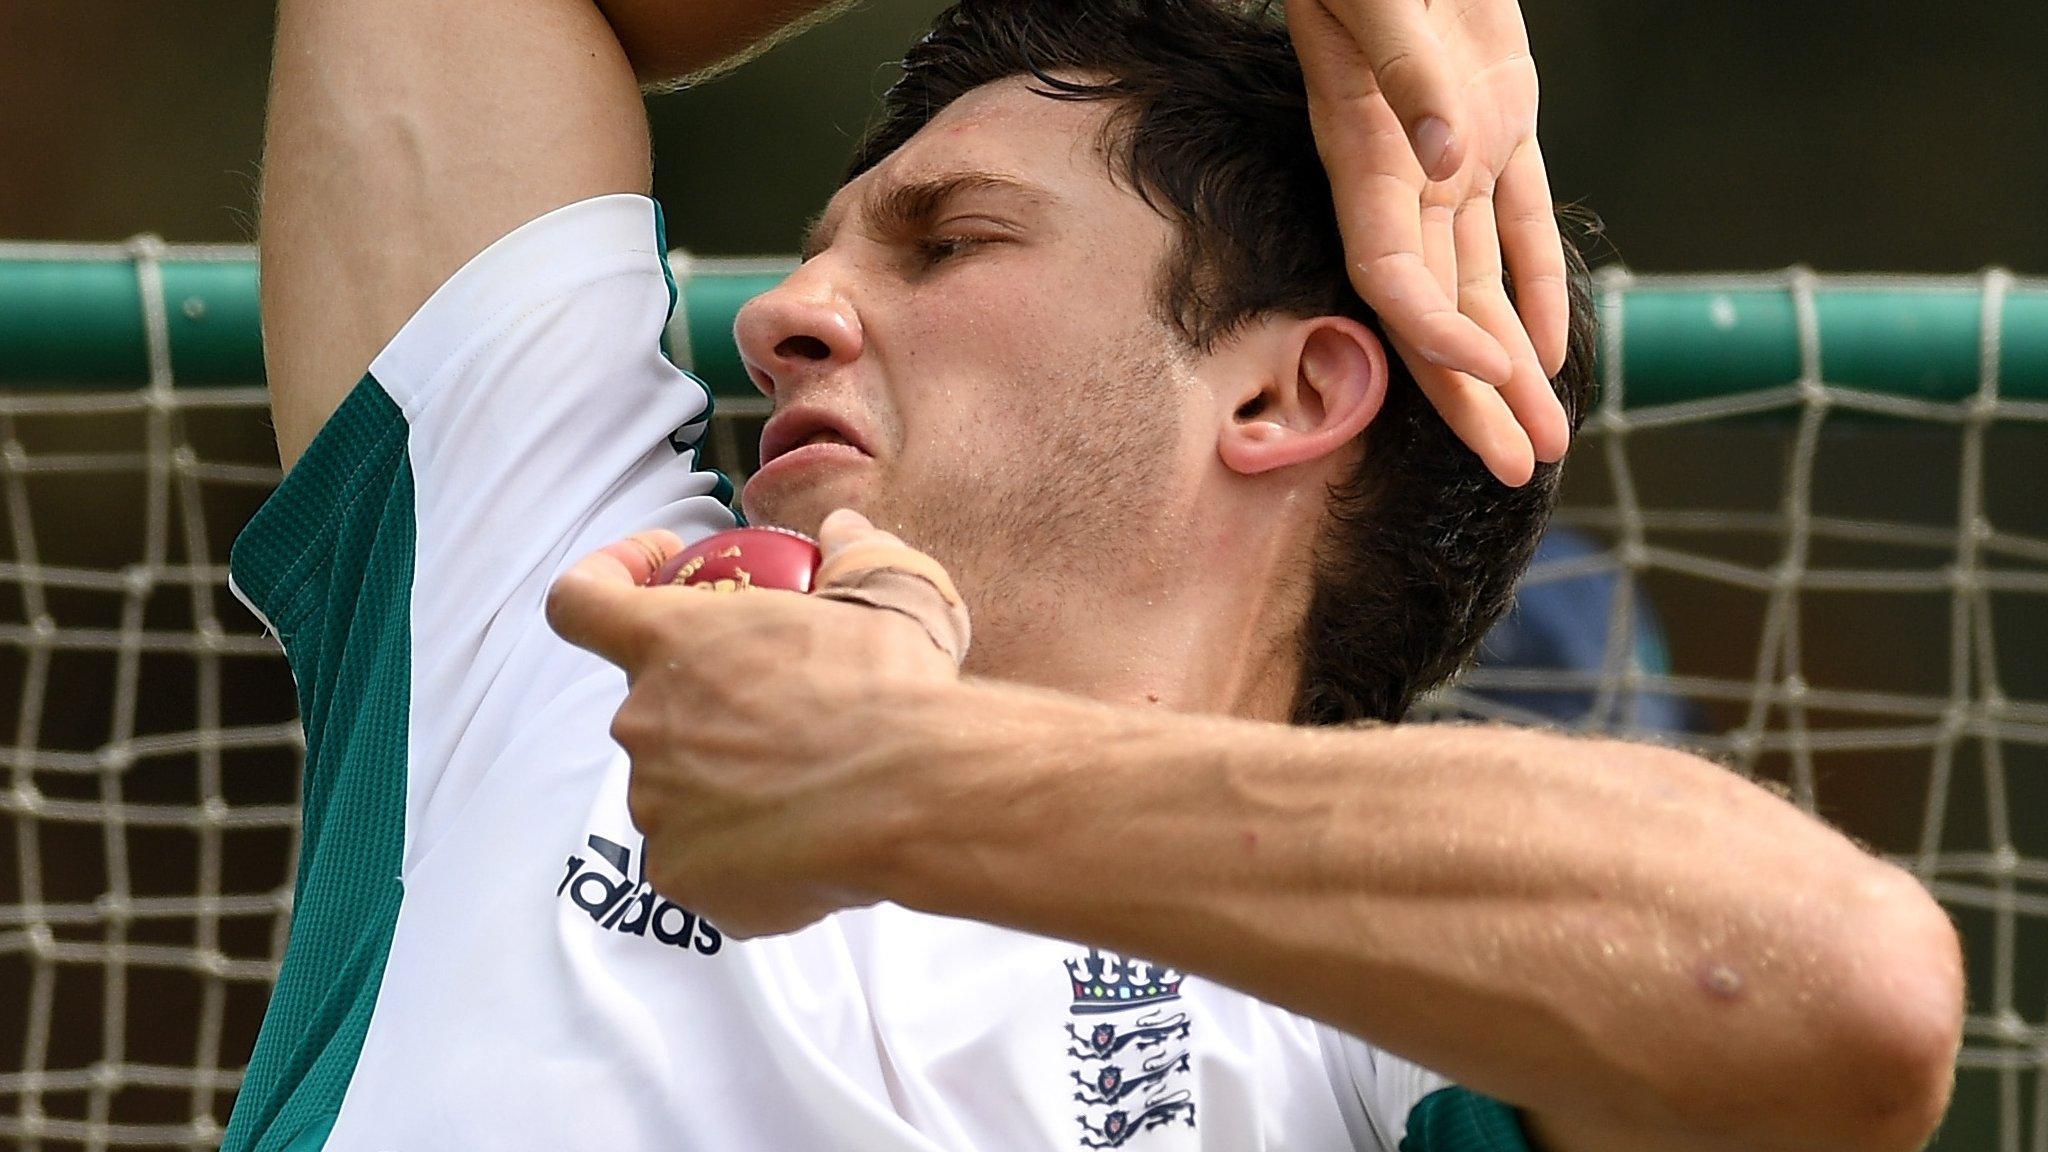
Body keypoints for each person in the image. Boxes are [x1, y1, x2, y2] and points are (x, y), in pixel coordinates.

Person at [231, 2, 1961, 1152]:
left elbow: (1846, 990)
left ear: (1282, 393)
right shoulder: (572, 603)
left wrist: (905, 780)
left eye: (948, 240)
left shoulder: (1374, 1026)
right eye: (827, 253)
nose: (776, 315)